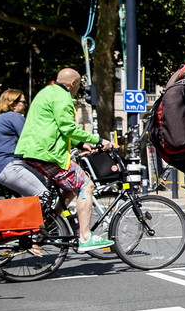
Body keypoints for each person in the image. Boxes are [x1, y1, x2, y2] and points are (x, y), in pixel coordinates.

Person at [15, 69, 115, 251]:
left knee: (69, 189)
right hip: (48, 154)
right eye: (78, 85)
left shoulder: (46, 92)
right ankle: (85, 237)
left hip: (32, 151)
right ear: (73, 84)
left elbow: (52, 126)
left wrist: (79, 144)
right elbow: (67, 127)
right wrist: (97, 140)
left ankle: (52, 225)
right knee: (86, 185)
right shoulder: (63, 97)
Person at [0, 89, 46, 198]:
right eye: (23, 102)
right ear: (13, 104)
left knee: (43, 180)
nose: (25, 106)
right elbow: (31, 140)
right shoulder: (14, 117)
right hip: (5, 165)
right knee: (44, 195)